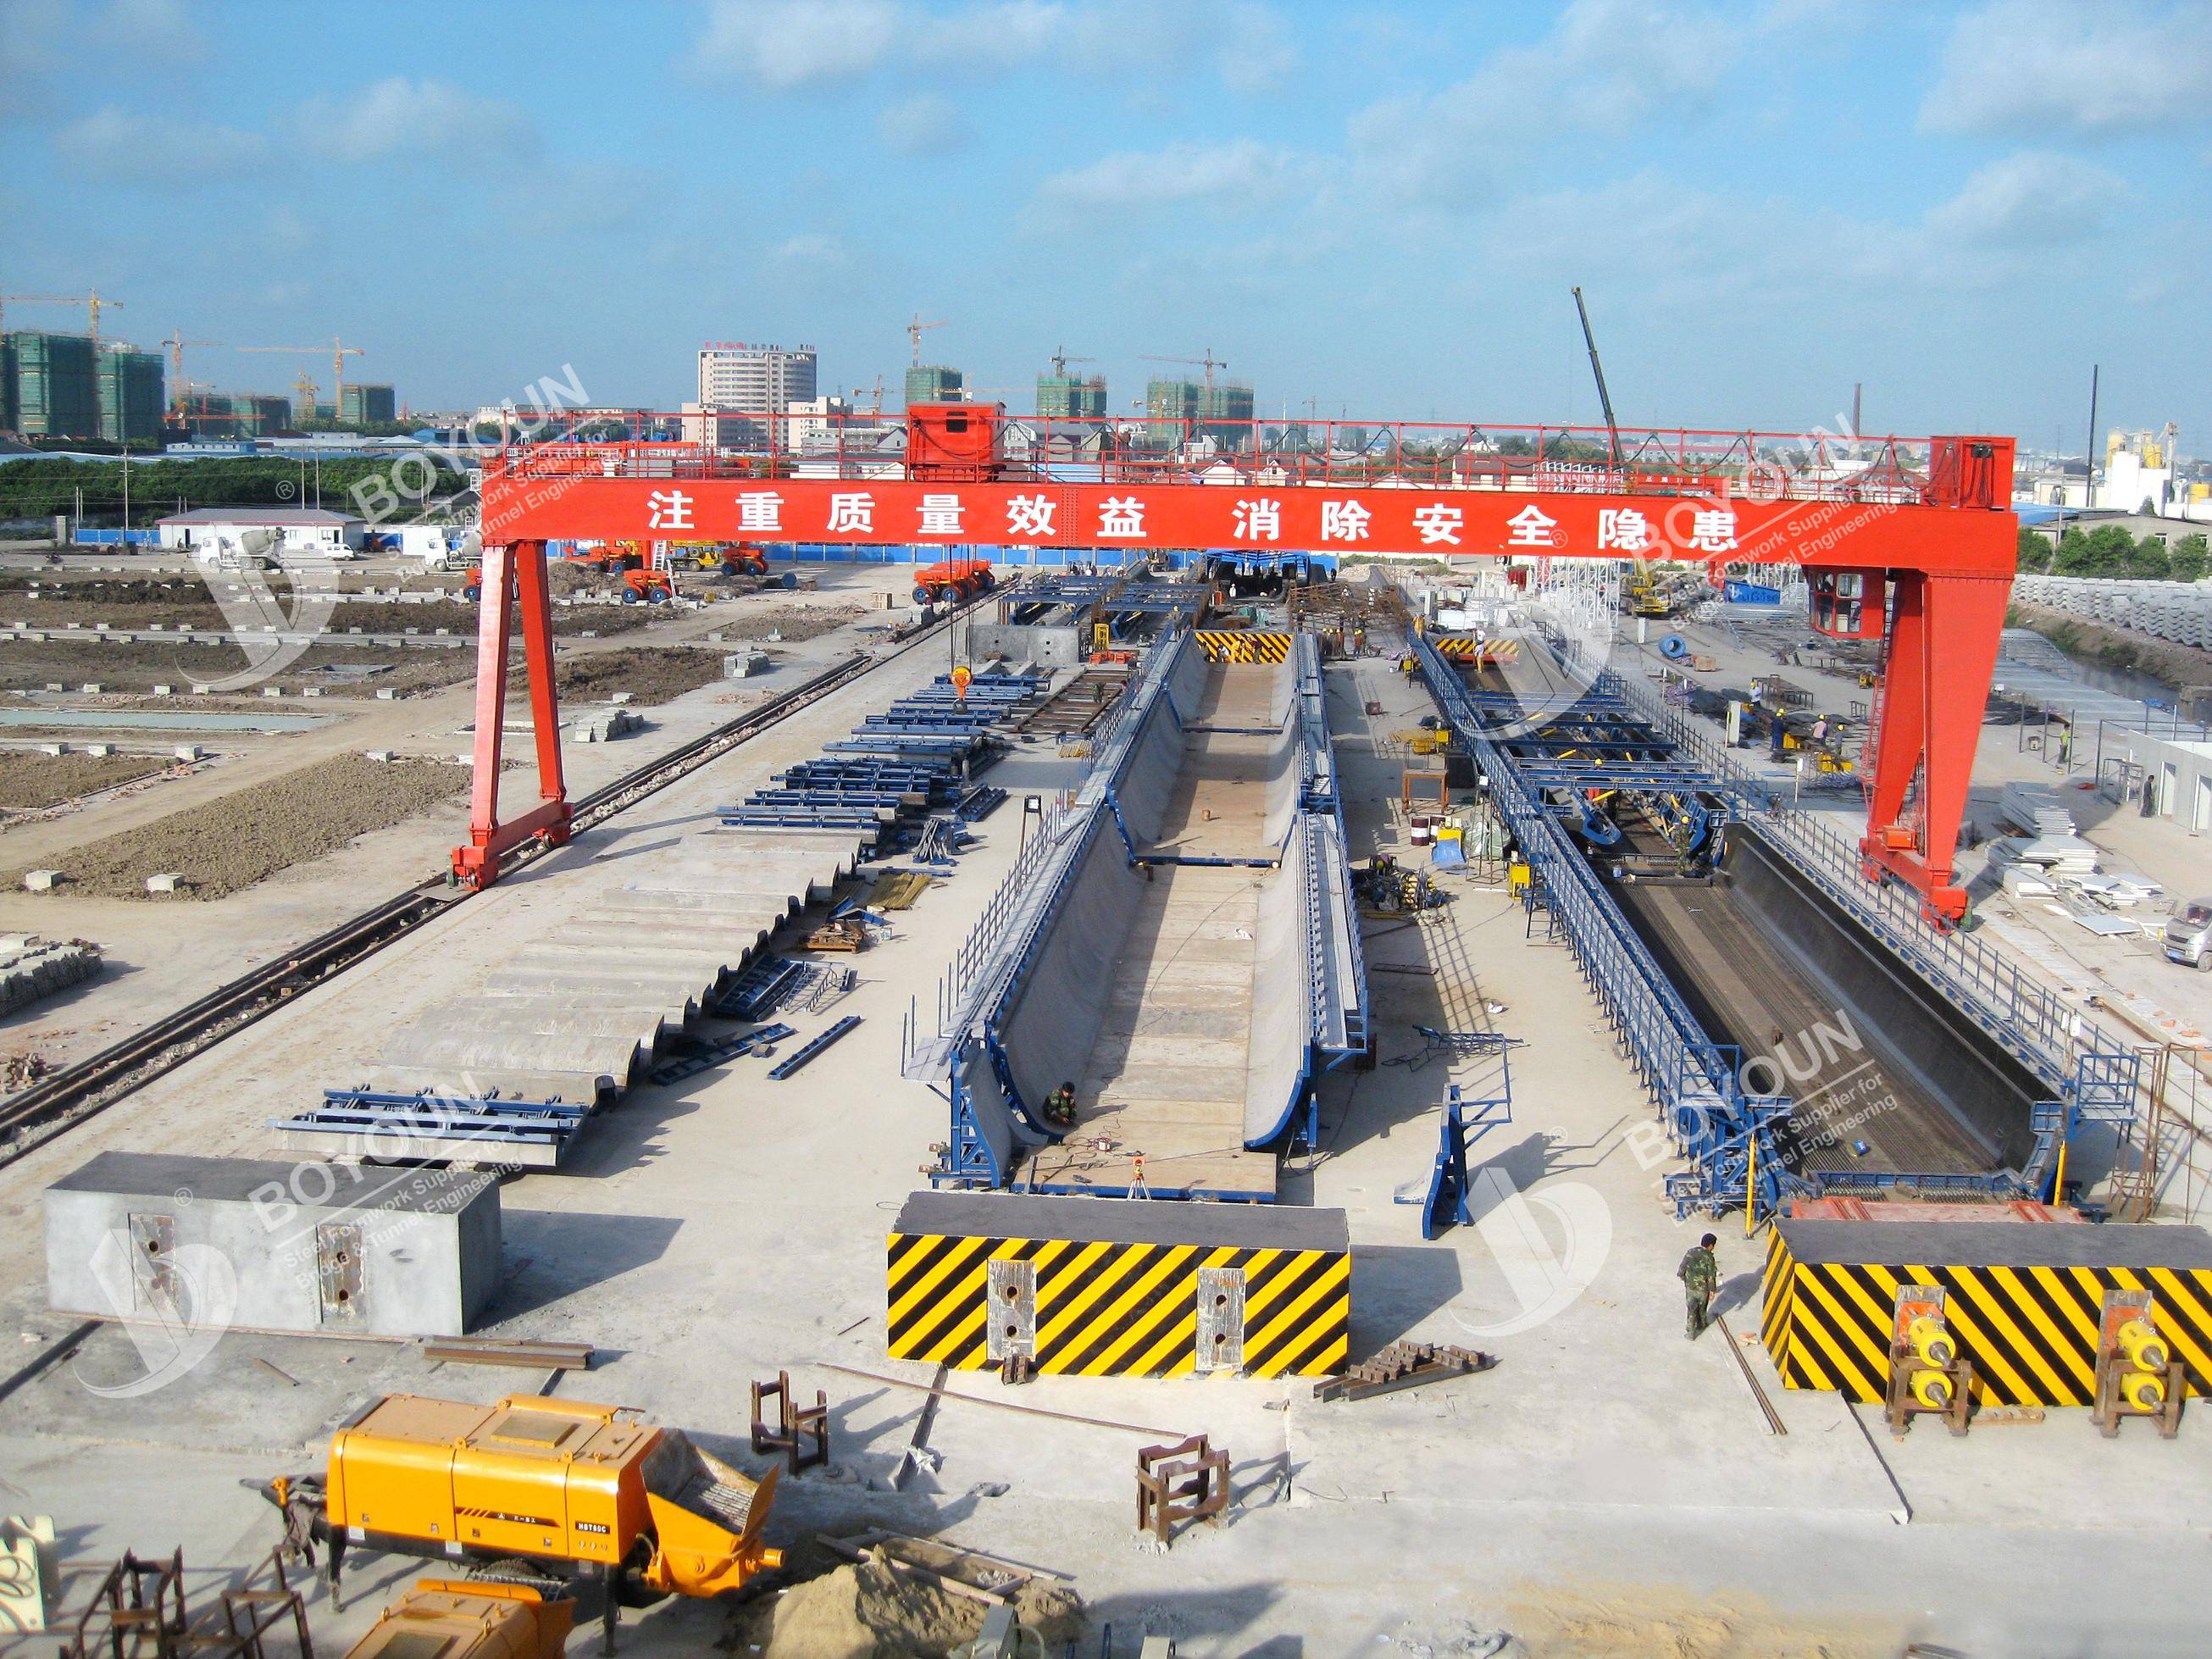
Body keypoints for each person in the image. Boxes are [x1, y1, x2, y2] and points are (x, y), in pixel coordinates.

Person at [1677, 1233, 1719, 1340]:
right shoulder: (1709, 1257)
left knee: (1691, 1309)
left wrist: (1681, 1275)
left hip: (1690, 1287)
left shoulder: (1691, 1252)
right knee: (1702, 1307)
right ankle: (1701, 1324)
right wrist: (1712, 1290)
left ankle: (1690, 1333)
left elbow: (1683, 1265)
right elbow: (1711, 1275)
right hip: (1703, 1289)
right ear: (1710, 1245)